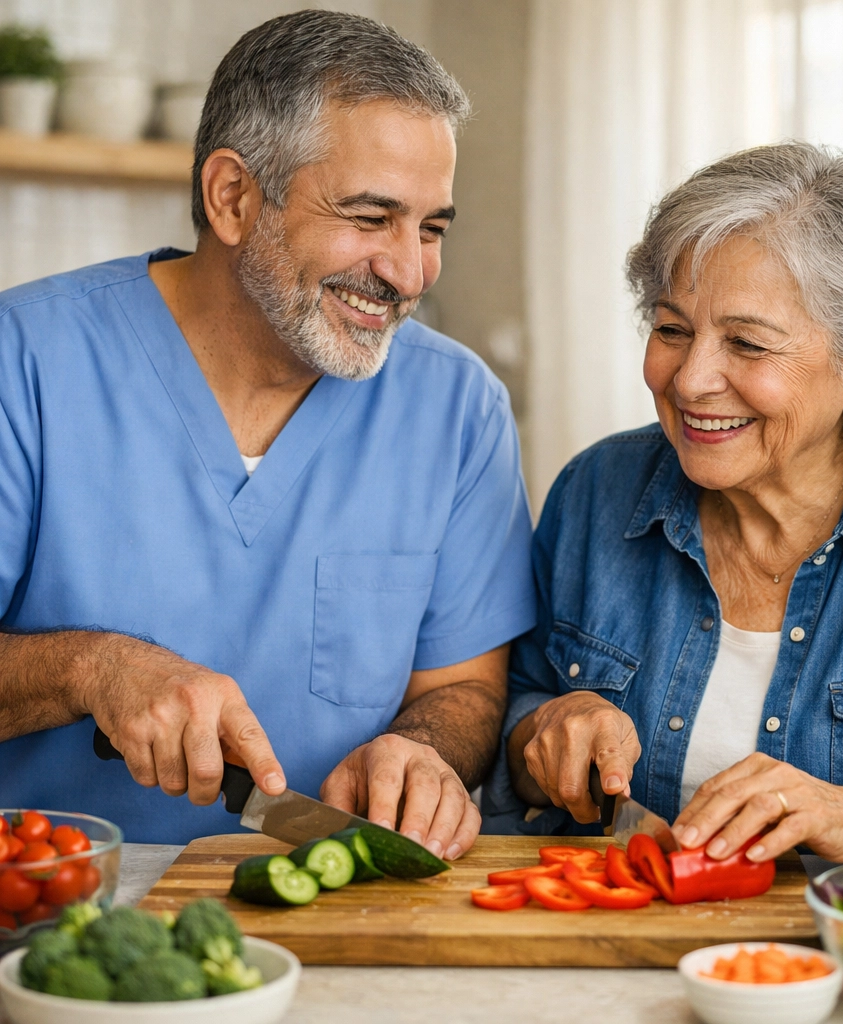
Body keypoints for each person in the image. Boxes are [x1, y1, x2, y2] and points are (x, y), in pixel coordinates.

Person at [0, 11, 535, 853]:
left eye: (431, 228)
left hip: (341, 911)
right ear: (233, 197)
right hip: (50, 904)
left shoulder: (459, 405)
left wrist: (422, 749)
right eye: (369, 217)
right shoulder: (22, 361)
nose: (408, 272)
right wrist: (91, 669)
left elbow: (466, 683)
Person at [485, 142, 843, 864]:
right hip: (611, 946)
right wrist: (548, 725)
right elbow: (517, 710)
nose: (691, 379)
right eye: (672, 330)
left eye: (746, 343)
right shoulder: (595, 490)